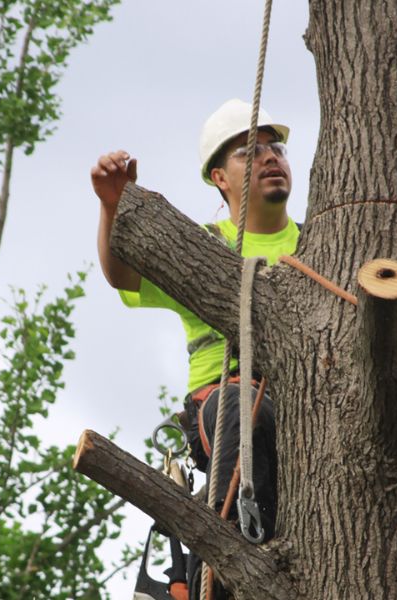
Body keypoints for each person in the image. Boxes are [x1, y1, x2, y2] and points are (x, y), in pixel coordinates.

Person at [91, 99, 300, 596]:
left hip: (305, 409)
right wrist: (111, 206)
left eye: (275, 148)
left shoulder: (319, 245)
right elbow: (122, 274)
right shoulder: (204, 248)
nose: (270, 157)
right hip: (228, 403)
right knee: (243, 408)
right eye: (250, 152)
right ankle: (228, 565)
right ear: (219, 178)